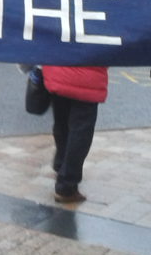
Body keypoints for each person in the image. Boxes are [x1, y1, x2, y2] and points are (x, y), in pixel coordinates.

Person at [41, 65, 107, 203]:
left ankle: (61, 165)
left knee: (61, 123)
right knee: (81, 132)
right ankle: (67, 186)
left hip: (56, 70)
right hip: (88, 76)